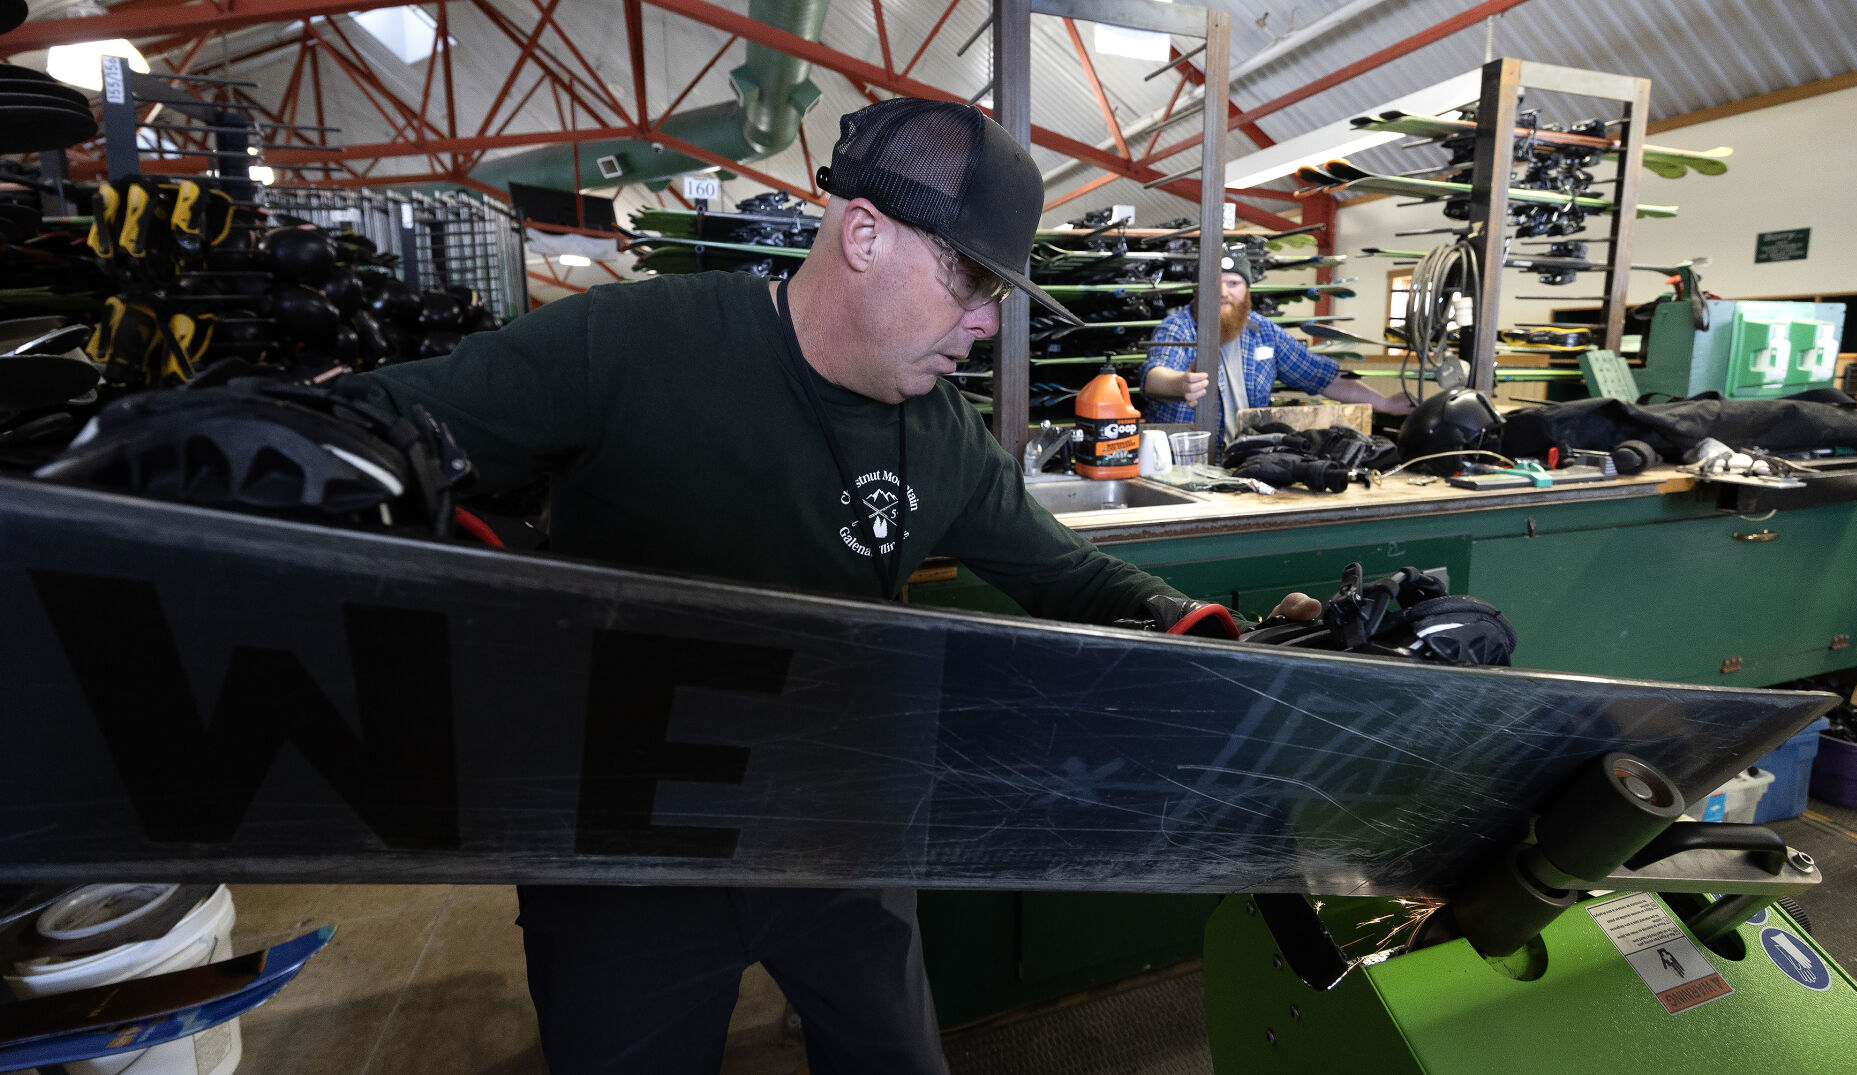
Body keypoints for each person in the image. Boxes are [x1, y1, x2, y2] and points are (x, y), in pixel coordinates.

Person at [358, 97, 1319, 1074]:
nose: (986, 326)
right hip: (626, 854)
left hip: (841, 830)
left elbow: (1063, 569)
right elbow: (385, 423)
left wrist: (1197, 631)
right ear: (863, 233)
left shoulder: (942, 433)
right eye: (973, 282)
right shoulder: (631, 345)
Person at [1140, 254, 1412, 438]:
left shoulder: (1264, 332)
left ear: (1247, 290)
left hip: (1243, 461)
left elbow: (1322, 376)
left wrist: (1385, 403)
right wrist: (1182, 383)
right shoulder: (1178, 327)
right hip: (1183, 464)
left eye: (1234, 283)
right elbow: (1154, 377)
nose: (1224, 292)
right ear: (1197, 290)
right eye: (1215, 283)